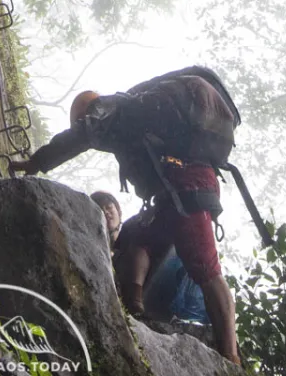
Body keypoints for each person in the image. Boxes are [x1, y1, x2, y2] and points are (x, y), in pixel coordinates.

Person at [13, 68, 243, 365]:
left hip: (187, 184)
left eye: (82, 119)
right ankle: (133, 308)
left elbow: (81, 136)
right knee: (141, 240)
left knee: (205, 267)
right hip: (172, 191)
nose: (85, 127)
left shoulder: (108, 109)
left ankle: (231, 356)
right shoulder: (133, 119)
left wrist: (38, 161)